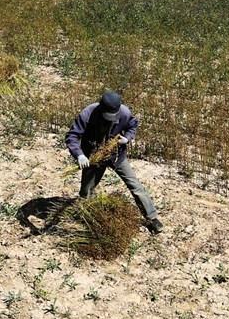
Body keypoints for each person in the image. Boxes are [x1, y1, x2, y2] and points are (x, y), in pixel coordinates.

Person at [66, 91, 163, 234]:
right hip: (94, 157)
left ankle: (152, 218)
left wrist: (127, 138)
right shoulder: (87, 114)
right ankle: (88, 217)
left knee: (135, 186)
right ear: (100, 108)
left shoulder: (124, 113)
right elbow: (72, 136)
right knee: (86, 191)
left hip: (116, 156)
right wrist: (79, 154)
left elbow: (132, 125)